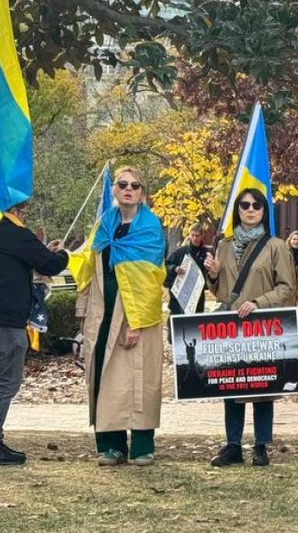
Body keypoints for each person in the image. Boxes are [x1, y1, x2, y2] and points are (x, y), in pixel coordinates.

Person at [0, 200, 69, 465]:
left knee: (3, 379)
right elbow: (50, 264)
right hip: (2, 321)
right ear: (14, 211)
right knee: (6, 381)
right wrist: (64, 253)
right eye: (23, 212)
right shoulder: (14, 233)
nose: (24, 217)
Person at [77, 166, 168, 467]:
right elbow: (89, 270)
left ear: (143, 192)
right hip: (102, 314)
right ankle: (110, 445)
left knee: (138, 379)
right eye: (123, 184)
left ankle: (142, 445)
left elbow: (150, 280)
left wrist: (136, 322)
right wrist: (82, 312)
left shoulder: (150, 227)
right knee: (105, 377)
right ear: (114, 189)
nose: (129, 189)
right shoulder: (103, 225)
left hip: (134, 314)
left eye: (135, 185)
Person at [203, 188, 295, 468]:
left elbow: (287, 288)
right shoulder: (225, 246)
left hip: (262, 324)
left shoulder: (276, 246)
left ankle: (260, 446)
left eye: (256, 205)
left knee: (261, 384)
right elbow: (221, 294)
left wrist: (258, 302)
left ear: (264, 210)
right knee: (231, 384)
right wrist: (214, 276)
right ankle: (233, 445)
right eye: (245, 205)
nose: (250, 209)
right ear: (238, 209)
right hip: (232, 324)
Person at [163, 224, 209, 316]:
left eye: (197, 236)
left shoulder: (206, 254)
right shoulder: (180, 251)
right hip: (178, 296)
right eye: (192, 235)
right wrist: (175, 268)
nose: (195, 238)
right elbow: (166, 265)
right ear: (189, 235)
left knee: (195, 323)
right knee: (177, 323)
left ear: (201, 236)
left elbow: (209, 277)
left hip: (197, 295)